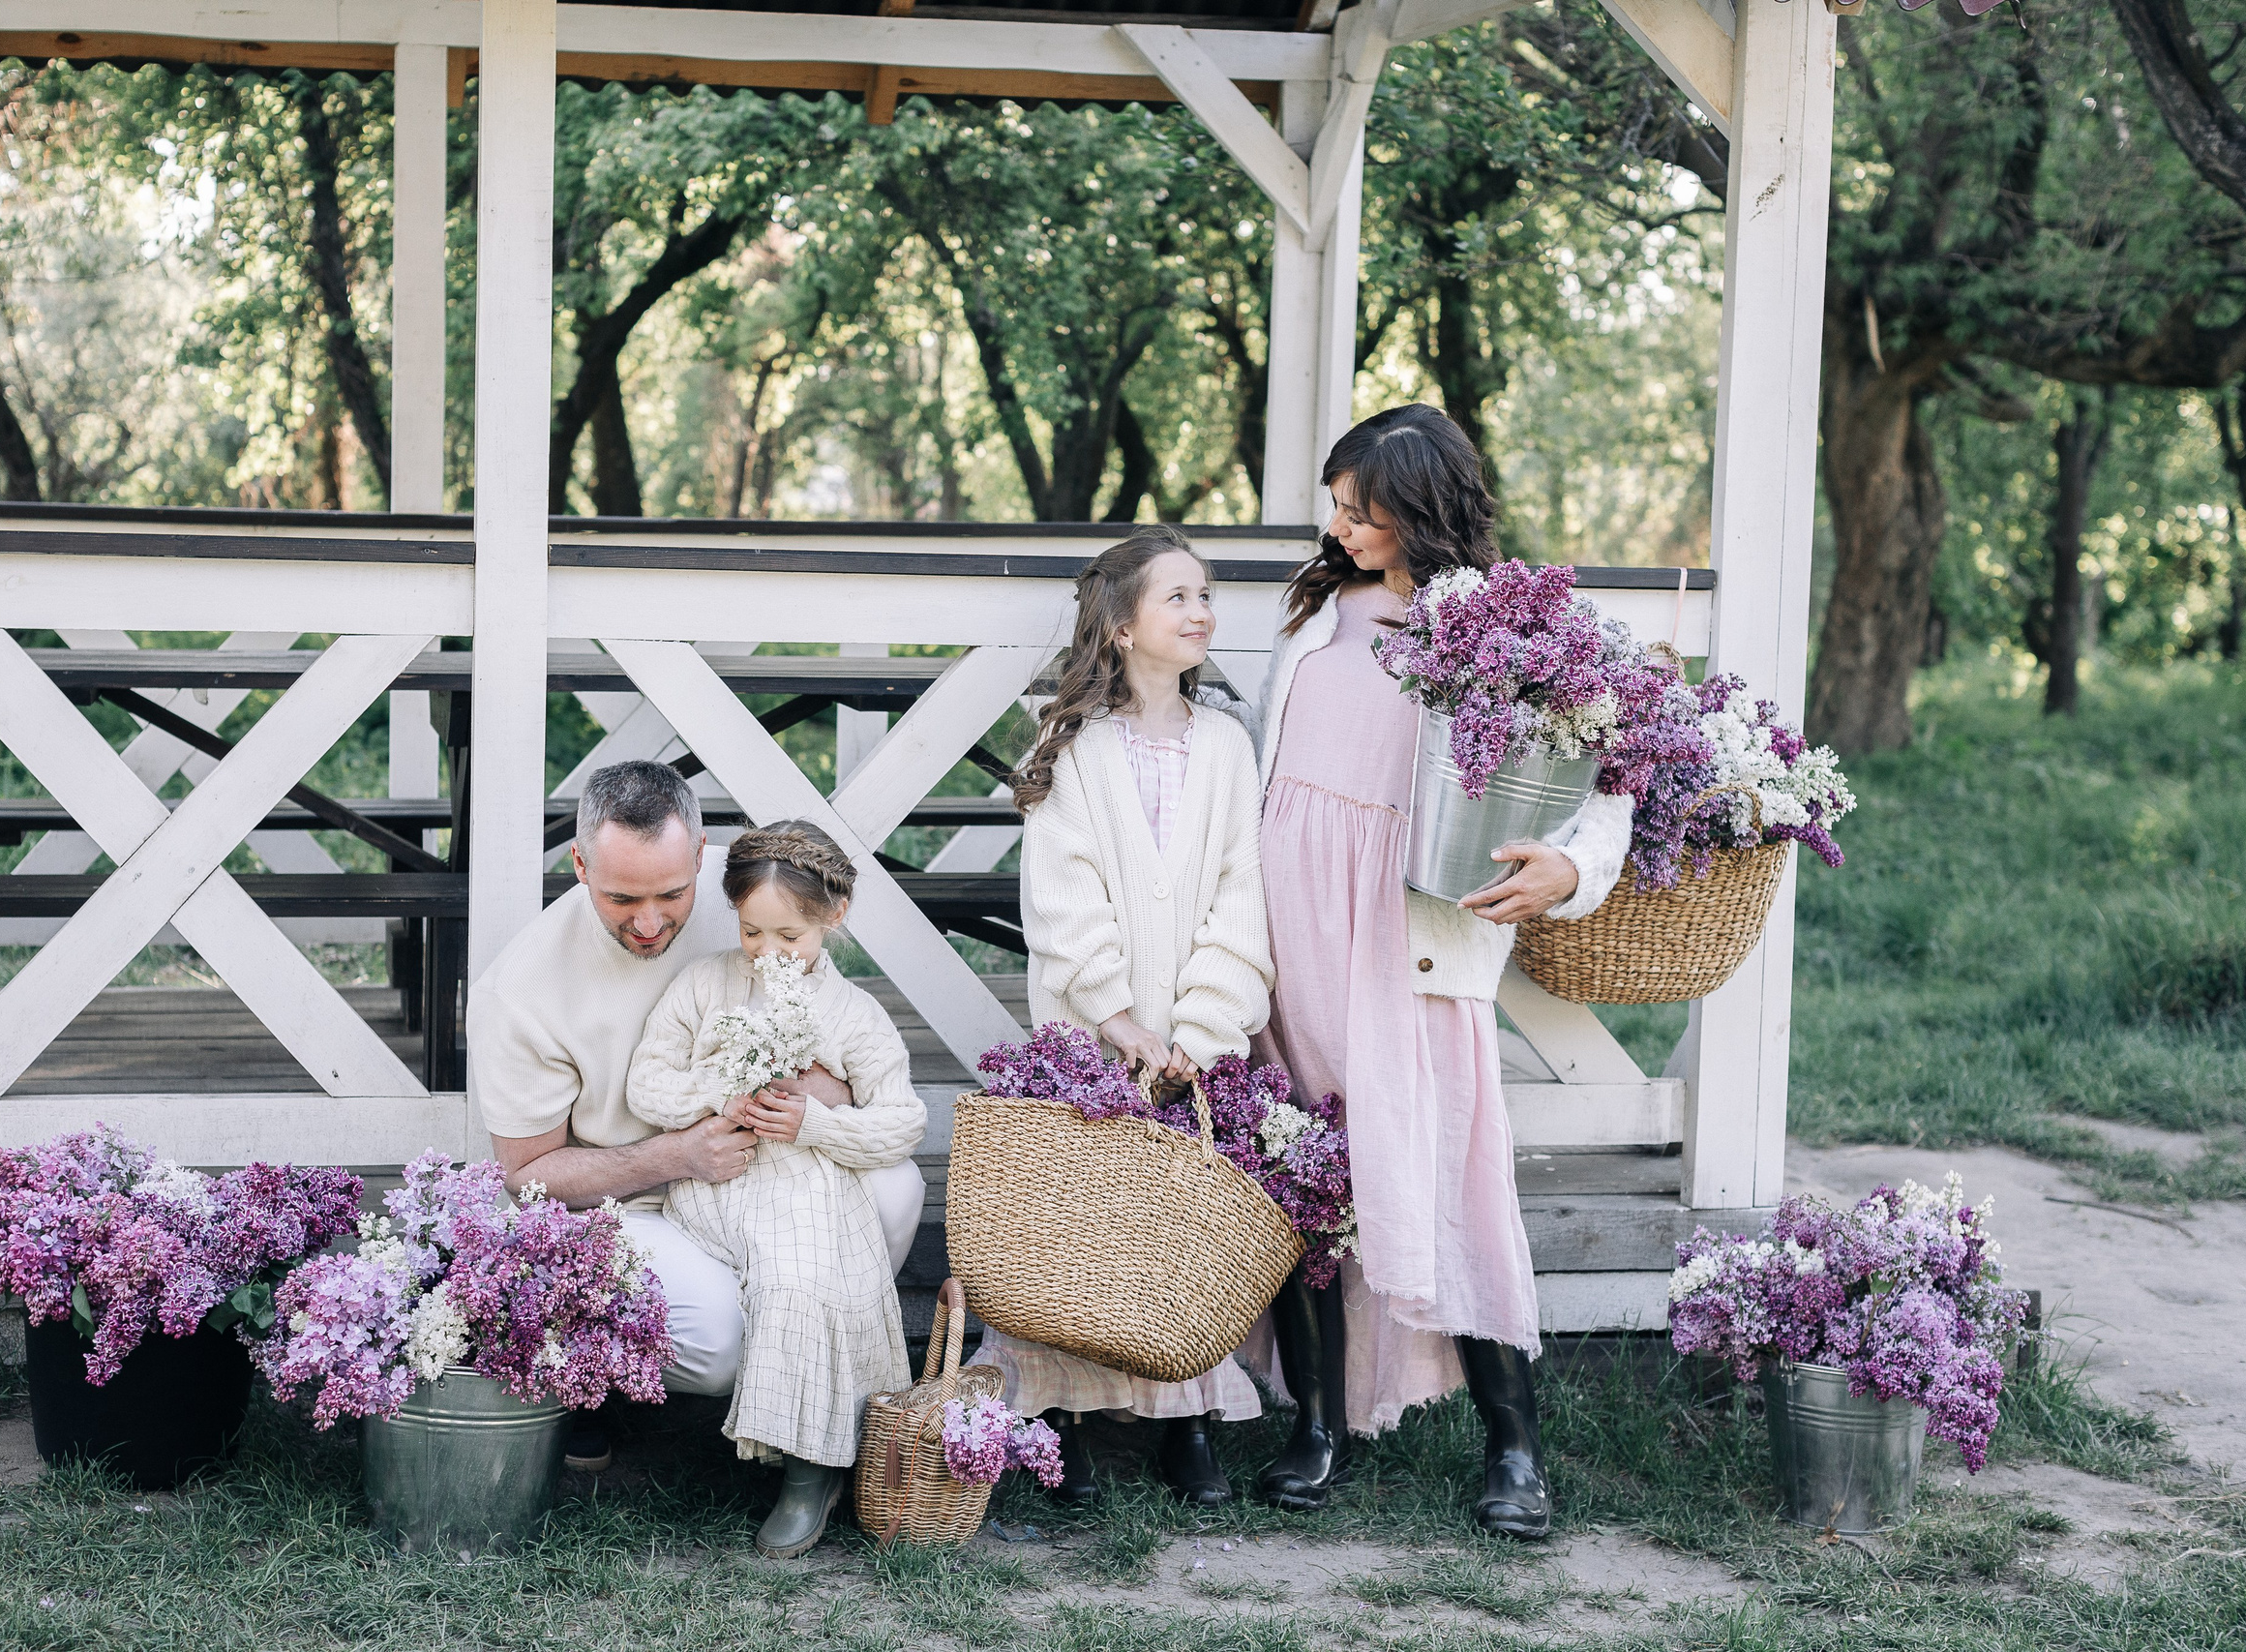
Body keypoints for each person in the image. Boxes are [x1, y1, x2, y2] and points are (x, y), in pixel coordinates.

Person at [1246, 405, 1632, 1537]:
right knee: (1305, 1168)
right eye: (1335, 503)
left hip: (1412, 933)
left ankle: (1514, 1450)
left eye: (1360, 507)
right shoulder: (1315, 611)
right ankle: (1315, 1426)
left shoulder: (1511, 627)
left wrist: (1566, 866)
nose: (1340, 524)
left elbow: (1610, 780)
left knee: (1452, 1174)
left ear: (1421, 506)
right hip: (1290, 927)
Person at [472, 762, 928, 1475]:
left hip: (775, 1170)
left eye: (673, 892)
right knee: (721, 1340)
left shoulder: (750, 890)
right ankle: (604, 1366)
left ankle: (820, 1381)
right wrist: (676, 1154)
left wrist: (822, 1097)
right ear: (579, 863)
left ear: (702, 854)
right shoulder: (519, 989)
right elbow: (528, 1172)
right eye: (622, 897)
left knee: (897, 1186)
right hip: (630, 1199)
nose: (650, 921)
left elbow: (832, 1007)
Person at [977, 525, 1277, 1508]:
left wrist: (1199, 1027)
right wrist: (1118, 1019)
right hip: (1091, 1040)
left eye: (1206, 595)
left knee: (1171, 1234)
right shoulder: (1072, 750)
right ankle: (1056, 1410)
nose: (1202, 613)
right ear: (1119, 625)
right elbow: (1061, 899)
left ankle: (1183, 1417)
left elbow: (1243, 891)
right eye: (1178, 597)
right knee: (1079, 1228)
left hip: (1190, 1045)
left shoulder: (1229, 746)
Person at [624, 821, 926, 1558]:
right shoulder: (707, 983)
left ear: (834, 913)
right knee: (790, 1255)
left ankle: (809, 1466)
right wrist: (714, 1091)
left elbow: (903, 1120)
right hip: (721, 1180)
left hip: (809, 1180)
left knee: (806, 1266)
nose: (768, 951)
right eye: (752, 931)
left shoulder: (855, 1014)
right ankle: (816, 1451)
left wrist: (817, 1121)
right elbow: (647, 1078)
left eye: (788, 935)